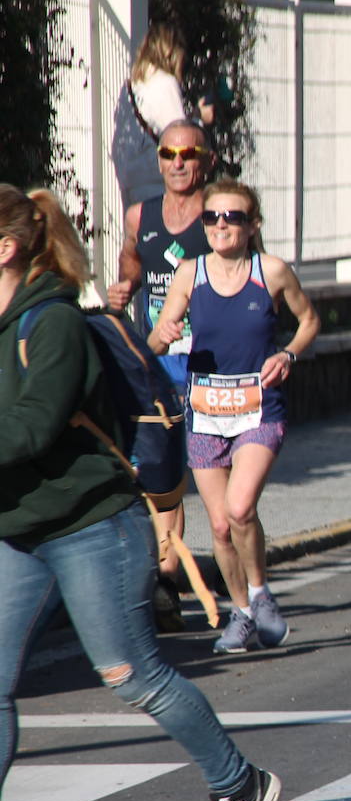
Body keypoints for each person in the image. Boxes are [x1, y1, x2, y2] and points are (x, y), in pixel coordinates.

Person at [0, 184, 280, 801]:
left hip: (94, 525)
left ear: (6, 249)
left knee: (132, 674)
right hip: (20, 530)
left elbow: (34, 427)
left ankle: (239, 784)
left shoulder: (53, 324)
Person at [149, 179, 319, 655]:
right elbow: (156, 344)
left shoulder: (272, 272)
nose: (221, 225)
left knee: (241, 507)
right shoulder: (189, 273)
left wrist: (288, 354)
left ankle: (261, 594)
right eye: (212, 217)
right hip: (204, 411)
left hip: (260, 408)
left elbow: (310, 321)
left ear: (253, 225)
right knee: (221, 525)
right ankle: (242, 613)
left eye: (233, 217)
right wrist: (162, 333)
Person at [108, 118, 214, 632]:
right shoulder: (140, 215)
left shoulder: (221, 214)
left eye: (187, 154)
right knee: (160, 475)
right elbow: (131, 267)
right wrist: (123, 290)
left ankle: (243, 589)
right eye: (168, 153)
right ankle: (165, 581)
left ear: (206, 160)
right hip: (154, 363)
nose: (177, 163)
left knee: (215, 486)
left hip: (211, 367)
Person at [111, 24, 214, 209]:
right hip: (155, 180)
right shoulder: (164, 82)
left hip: (130, 180)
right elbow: (180, 136)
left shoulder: (132, 85)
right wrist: (201, 120)